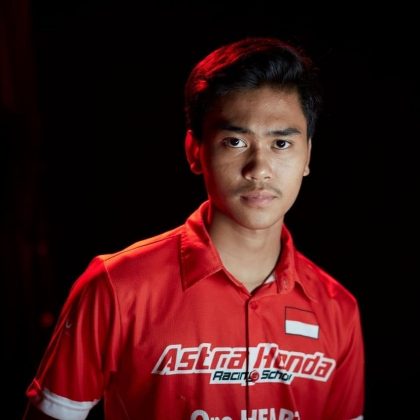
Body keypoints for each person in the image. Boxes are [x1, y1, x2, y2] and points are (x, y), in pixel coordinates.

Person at [24, 36, 365, 419]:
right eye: (234, 141)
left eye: (281, 144)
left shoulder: (338, 310)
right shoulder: (116, 287)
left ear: (307, 156)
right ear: (194, 151)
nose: (259, 169)